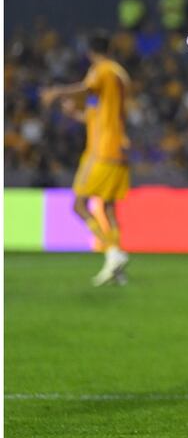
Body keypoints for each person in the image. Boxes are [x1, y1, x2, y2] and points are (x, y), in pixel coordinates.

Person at [40, 30, 132, 286]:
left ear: (90, 52)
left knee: (79, 205)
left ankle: (112, 253)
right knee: (109, 207)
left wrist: (57, 92)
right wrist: (75, 114)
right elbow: (97, 114)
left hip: (101, 151)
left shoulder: (102, 70)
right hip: (119, 149)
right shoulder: (119, 74)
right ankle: (116, 267)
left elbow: (85, 88)